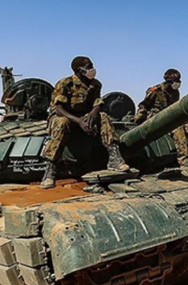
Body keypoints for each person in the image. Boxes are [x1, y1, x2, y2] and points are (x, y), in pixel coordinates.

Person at [41, 56, 130, 189]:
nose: (92, 69)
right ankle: (50, 171)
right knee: (62, 123)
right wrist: (79, 121)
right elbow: (58, 109)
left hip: (84, 116)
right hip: (63, 115)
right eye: (89, 67)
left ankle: (114, 158)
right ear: (79, 70)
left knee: (103, 117)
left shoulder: (95, 84)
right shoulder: (65, 83)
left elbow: (97, 103)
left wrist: (93, 114)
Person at [135, 68, 188, 167]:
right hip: (157, 122)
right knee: (177, 128)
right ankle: (184, 160)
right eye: (176, 82)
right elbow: (143, 105)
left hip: (171, 120)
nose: (178, 84)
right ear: (169, 82)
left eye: (179, 81)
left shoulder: (175, 93)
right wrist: (139, 119)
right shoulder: (155, 90)